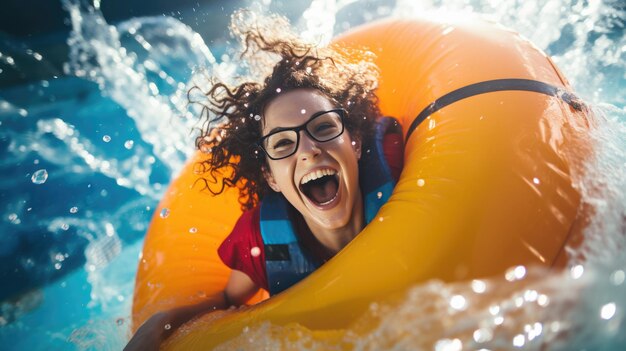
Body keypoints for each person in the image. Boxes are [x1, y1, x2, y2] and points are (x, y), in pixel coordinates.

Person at [124, 10, 403, 350]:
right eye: (284, 143)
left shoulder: (396, 164)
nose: (310, 151)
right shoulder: (260, 241)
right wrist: (161, 324)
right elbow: (228, 300)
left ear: (355, 143)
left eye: (325, 128)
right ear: (271, 176)